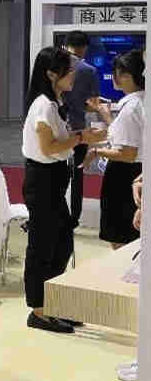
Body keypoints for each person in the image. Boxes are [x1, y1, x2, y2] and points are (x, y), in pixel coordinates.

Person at [21, 48, 107, 333]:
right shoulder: (43, 106)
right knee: (43, 247)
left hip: (54, 179)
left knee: (62, 244)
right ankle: (39, 310)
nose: (73, 75)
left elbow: (59, 142)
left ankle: (53, 303)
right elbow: (48, 148)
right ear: (50, 74)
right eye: (68, 71)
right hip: (42, 181)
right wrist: (81, 137)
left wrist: (82, 137)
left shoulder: (56, 102)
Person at [84, 50, 144, 249]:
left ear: (127, 76)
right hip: (135, 172)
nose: (114, 78)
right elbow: (127, 139)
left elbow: (127, 153)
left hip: (124, 176)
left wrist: (96, 152)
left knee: (121, 237)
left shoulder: (131, 108)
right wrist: (108, 117)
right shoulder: (140, 103)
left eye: (117, 73)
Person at [61, 30, 101, 229]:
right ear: (84, 48)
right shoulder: (88, 70)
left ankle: (54, 213)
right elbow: (92, 104)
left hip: (55, 129)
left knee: (54, 173)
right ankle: (74, 218)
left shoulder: (54, 65)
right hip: (77, 129)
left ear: (65, 44)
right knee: (77, 175)